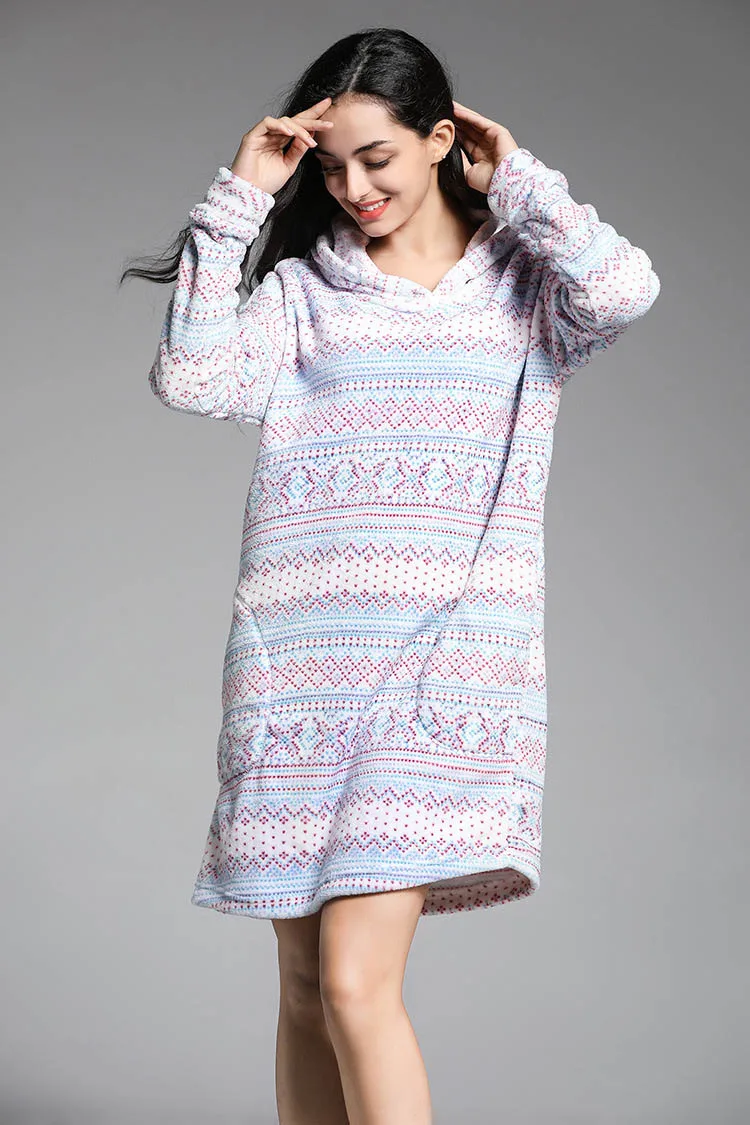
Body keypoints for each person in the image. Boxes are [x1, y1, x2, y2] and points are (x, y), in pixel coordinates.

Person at [120, 25, 660, 1125]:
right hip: (297, 680)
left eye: (377, 158)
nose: (354, 188)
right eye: (331, 167)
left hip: (441, 677)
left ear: (441, 140)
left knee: (359, 983)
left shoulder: (522, 288)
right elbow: (193, 375)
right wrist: (240, 197)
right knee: (306, 988)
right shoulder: (302, 296)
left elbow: (624, 289)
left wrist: (521, 181)